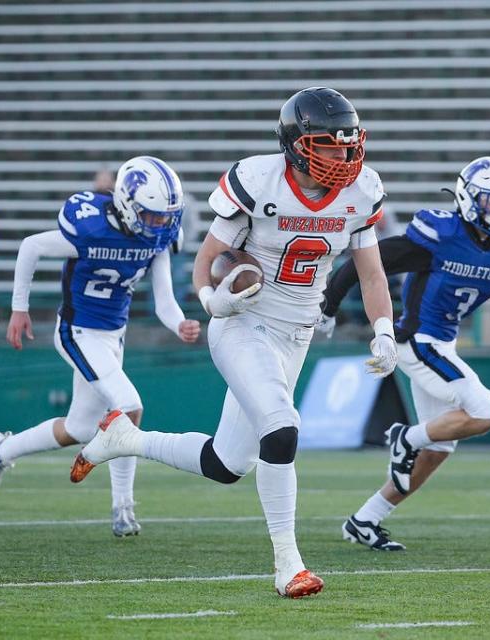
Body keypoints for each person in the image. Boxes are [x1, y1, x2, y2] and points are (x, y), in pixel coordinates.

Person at [69, 88, 397, 597]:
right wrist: (210, 299)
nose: (342, 157)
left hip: (296, 333)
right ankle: (289, 566)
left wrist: (383, 330)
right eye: (329, 146)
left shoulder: (361, 191)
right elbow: (208, 259)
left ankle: (124, 439)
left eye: (347, 146)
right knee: (283, 429)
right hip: (243, 323)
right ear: (296, 144)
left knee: (228, 464)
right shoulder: (258, 180)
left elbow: (371, 275)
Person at [318, 156, 490, 551]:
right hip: (417, 340)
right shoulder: (441, 234)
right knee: (487, 410)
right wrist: (328, 305)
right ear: (469, 197)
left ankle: (365, 520)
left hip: (441, 344)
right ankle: (404, 437)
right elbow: (367, 265)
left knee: (440, 447)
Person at [0, 156, 199, 537]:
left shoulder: (158, 237)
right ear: (127, 203)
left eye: (165, 217)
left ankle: (0, 451)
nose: (160, 224)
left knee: (79, 427)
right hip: (77, 330)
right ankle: (123, 508)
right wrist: (18, 309)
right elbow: (30, 247)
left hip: (114, 336)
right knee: (129, 406)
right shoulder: (91, 226)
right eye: (153, 215)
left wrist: (179, 324)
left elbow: (163, 300)